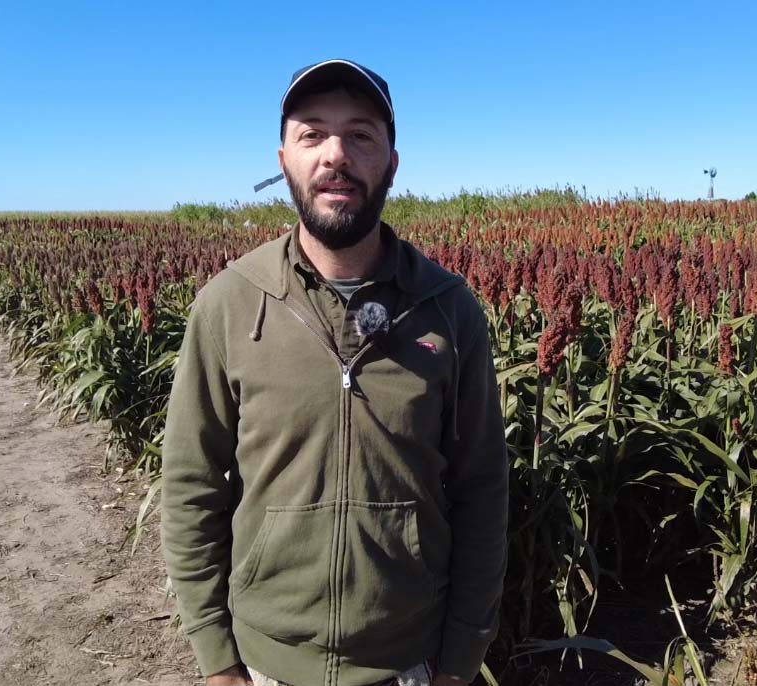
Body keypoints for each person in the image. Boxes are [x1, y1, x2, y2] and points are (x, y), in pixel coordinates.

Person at [161, 59, 510, 686]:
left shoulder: (449, 309)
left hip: (409, 661)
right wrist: (216, 660)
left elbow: (482, 490)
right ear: (284, 157)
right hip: (266, 662)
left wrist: (461, 661)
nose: (336, 155)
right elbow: (191, 487)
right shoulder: (230, 302)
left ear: (392, 163)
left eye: (361, 135)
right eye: (312, 133)